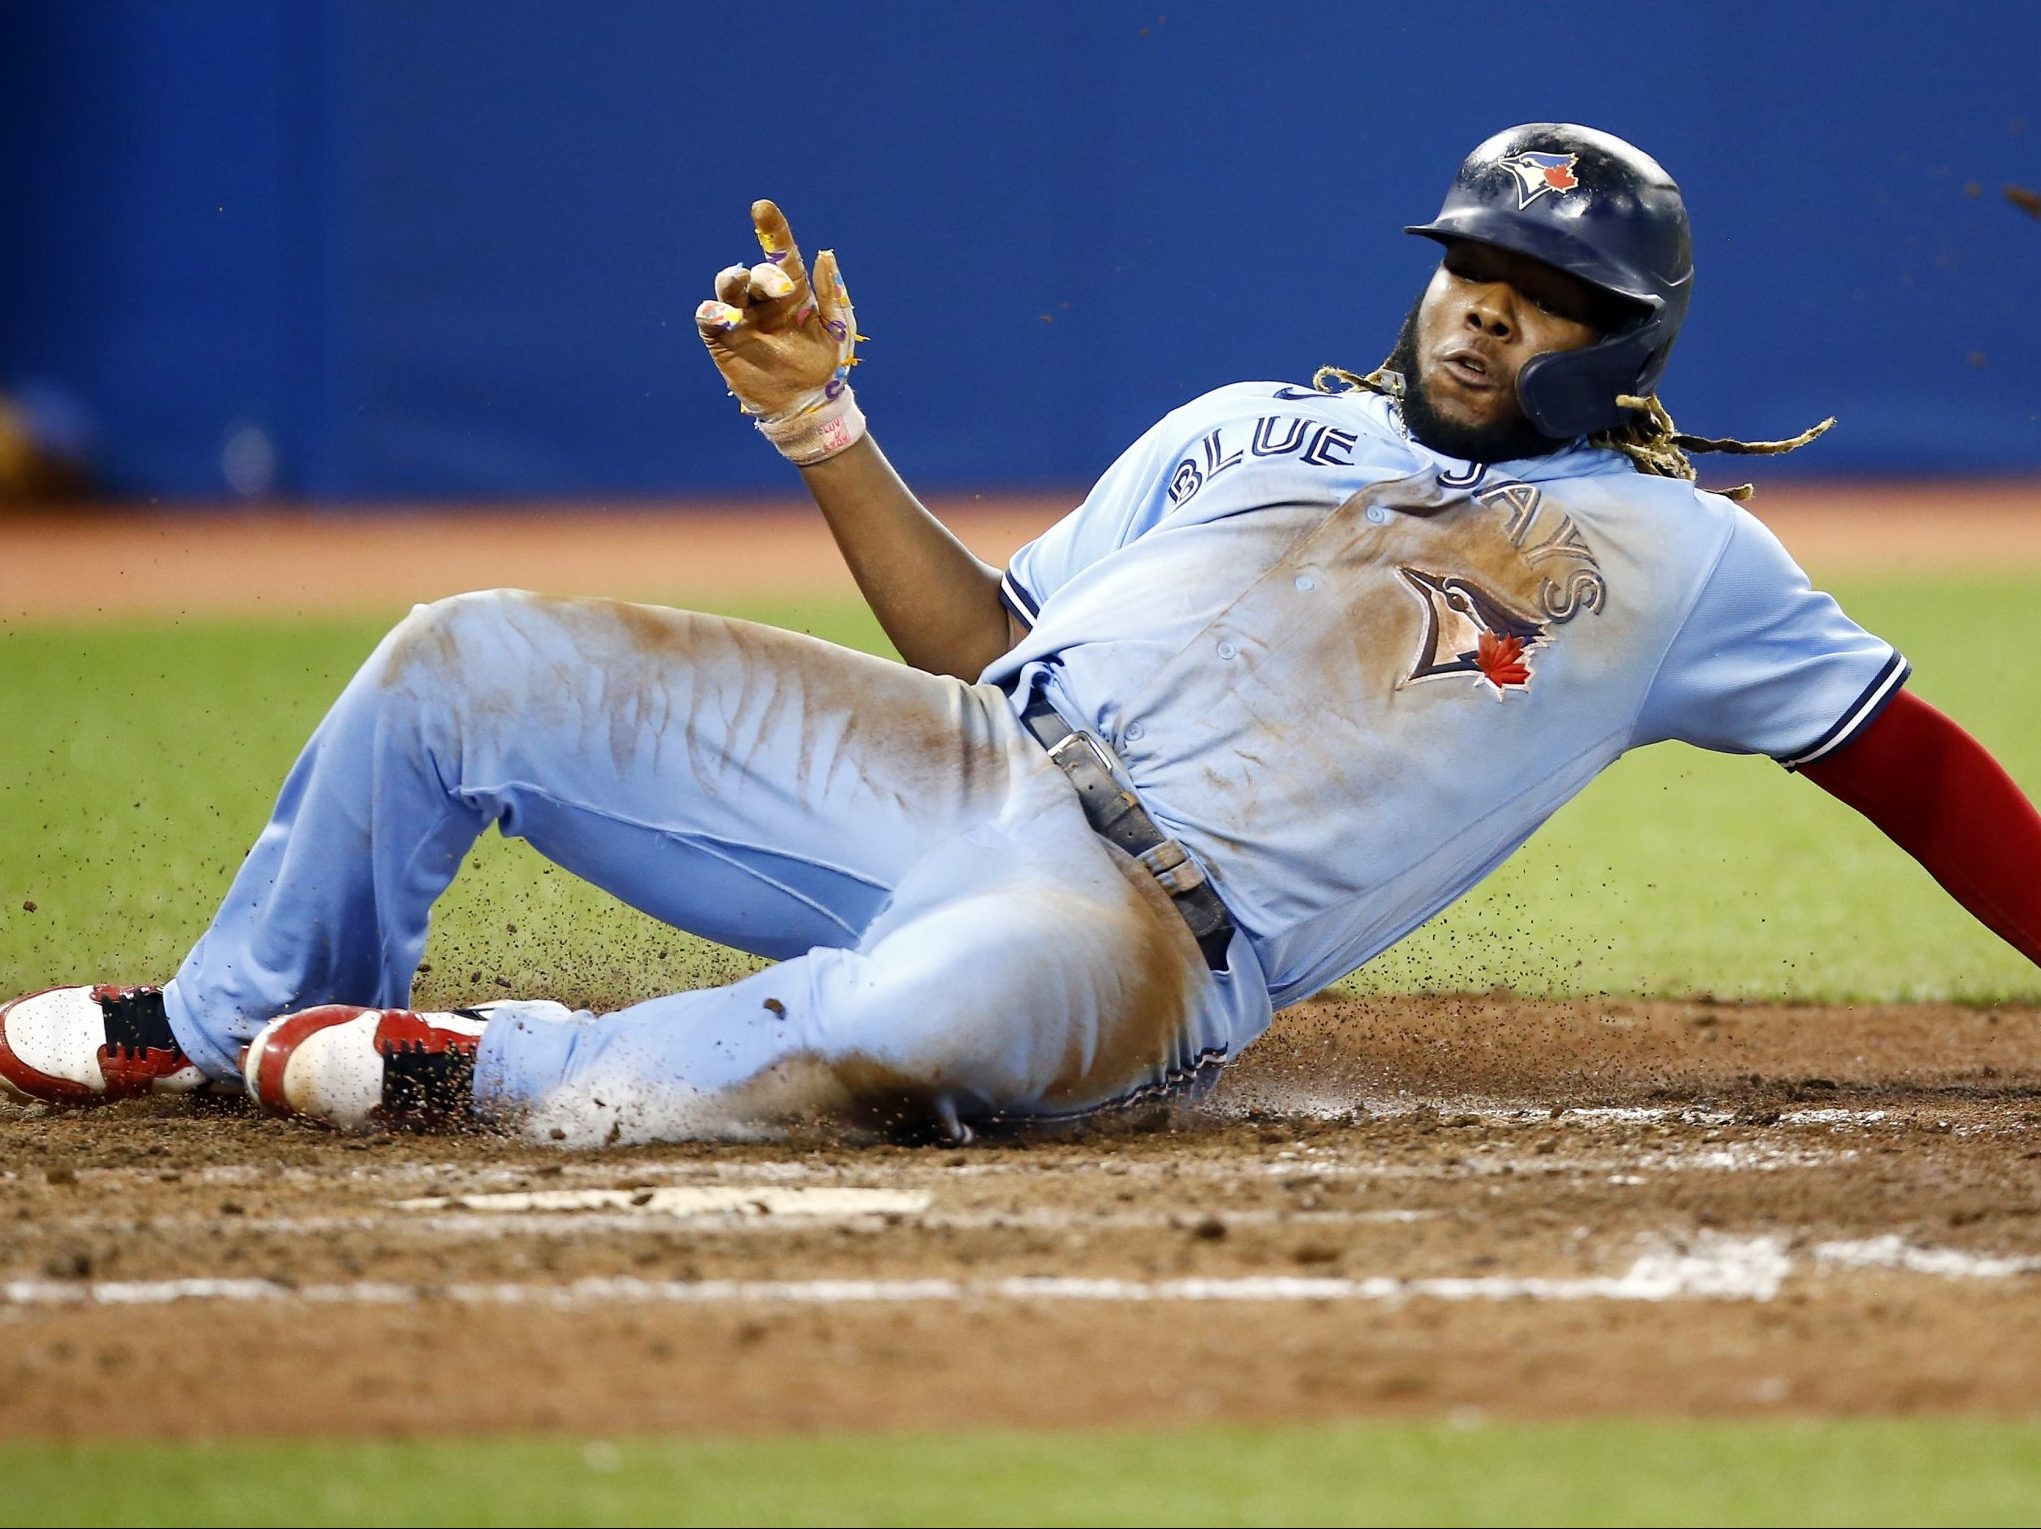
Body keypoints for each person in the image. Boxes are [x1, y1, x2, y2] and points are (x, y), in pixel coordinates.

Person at [5, 124, 2037, 1144]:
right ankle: (224, 1023)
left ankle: (497, 1070)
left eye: (1544, 286)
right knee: (460, 661)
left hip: (1148, 937)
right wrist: (822, 426)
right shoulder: (1246, 421)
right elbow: (980, 639)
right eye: (1471, 263)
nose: (1486, 304)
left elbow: (1913, 768)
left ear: (1631, 338)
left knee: (952, 1014)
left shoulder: (1680, 561)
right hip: (953, 766)